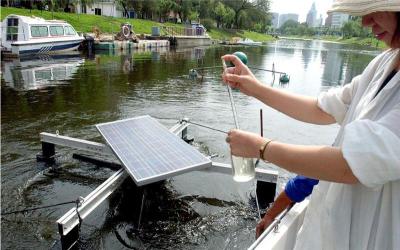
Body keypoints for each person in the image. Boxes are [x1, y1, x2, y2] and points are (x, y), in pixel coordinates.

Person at [222, 0, 400, 248]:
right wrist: (255, 89)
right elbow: (321, 109)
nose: (365, 22)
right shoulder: (382, 63)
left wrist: (262, 148)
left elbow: (350, 166)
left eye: (373, 11)